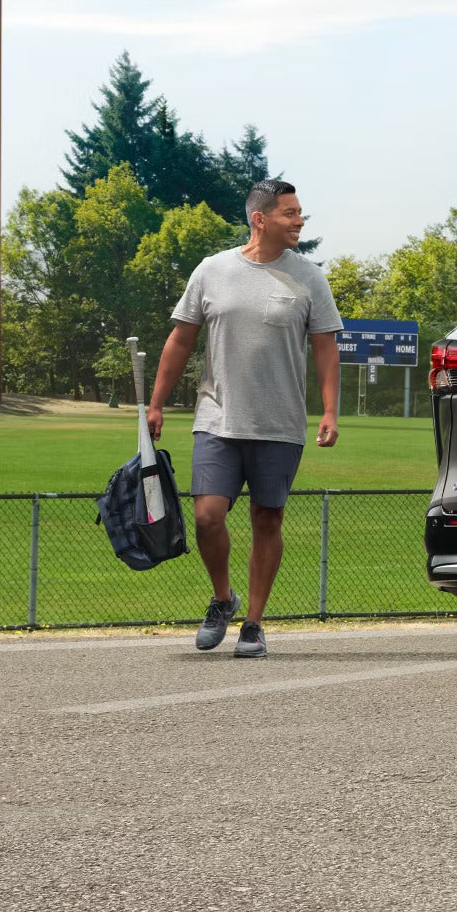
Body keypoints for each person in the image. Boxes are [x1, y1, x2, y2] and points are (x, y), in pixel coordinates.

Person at [147, 180, 343, 658]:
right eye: (289, 213)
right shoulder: (211, 270)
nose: (299, 221)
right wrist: (156, 403)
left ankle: (253, 624)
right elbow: (181, 340)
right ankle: (222, 599)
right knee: (207, 516)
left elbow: (325, 348)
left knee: (267, 520)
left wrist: (330, 411)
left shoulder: (310, 278)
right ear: (260, 219)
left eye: (300, 212)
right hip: (217, 417)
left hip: (280, 423)